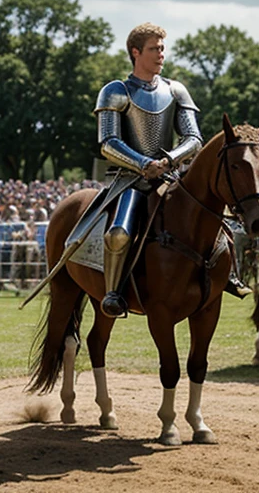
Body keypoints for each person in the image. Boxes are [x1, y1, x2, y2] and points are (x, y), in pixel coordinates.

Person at [87, 22, 205, 318]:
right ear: (136, 52)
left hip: (171, 177)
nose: (161, 54)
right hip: (130, 180)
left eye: (163, 48)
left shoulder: (176, 90)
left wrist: (168, 161)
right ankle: (113, 292)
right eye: (154, 49)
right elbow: (108, 142)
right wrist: (143, 164)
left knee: (215, 224)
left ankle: (224, 276)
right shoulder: (116, 91)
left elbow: (194, 138)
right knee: (119, 233)